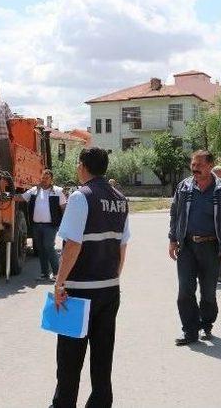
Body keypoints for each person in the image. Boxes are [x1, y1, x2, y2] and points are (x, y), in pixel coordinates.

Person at [52, 147, 131, 408]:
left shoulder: (80, 197)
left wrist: (60, 283)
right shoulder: (120, 199)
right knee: (102, 358)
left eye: (78, 163)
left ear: (83, 166)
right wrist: (113, 278)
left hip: (79, 292)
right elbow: (122, 245)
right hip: (109, 290)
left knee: (69, 360)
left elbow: (72, 245)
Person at [169, 150, 221, 346]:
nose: (195, 168)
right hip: (187, 246)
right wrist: (172, 239)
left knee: (208, 292)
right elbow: (175, 214)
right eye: (193, 164)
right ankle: (190, 331)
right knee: (185, 291)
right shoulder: (184, 187)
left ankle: (206, 323)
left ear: (210, 165)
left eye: (199, 165)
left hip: (212, 247)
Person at [19, 169, 67, 281]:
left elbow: (63, 207)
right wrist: (8, 196)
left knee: (48, 247)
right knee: (41, 249)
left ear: (51, 179)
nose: (44, 180)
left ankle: (57, 274)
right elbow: (21, 197)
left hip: (50, 226)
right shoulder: (34, 190)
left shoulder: (57, 191)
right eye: (43, 178)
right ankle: (44, 274)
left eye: (47, 178)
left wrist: (65, 222)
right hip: (37, 225)